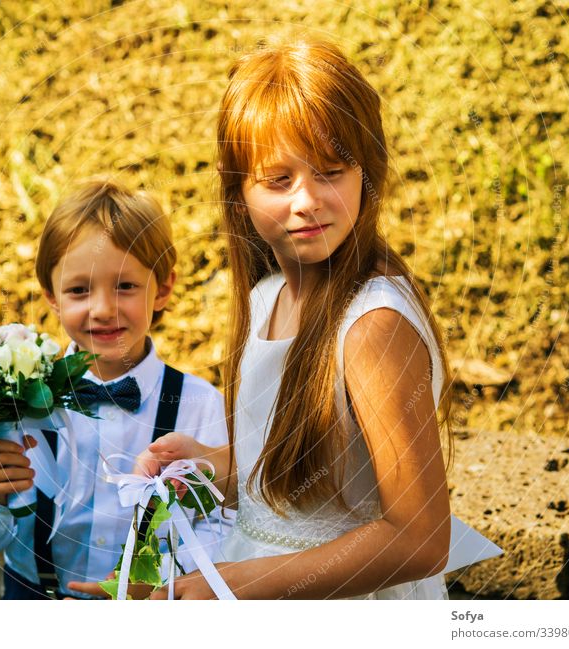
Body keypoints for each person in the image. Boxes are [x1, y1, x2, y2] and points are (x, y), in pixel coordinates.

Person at [113, 38, 457, 599]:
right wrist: (208, 468)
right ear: (238, 188)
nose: (307, 201)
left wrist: (234, 588)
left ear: (366, 174)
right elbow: (296, 486)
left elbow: (419, 538)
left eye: (331, 172)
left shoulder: (373, 327)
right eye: (278, 180)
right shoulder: (268, 299)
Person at [0, 179, 233, 599]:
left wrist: (158, 584)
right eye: (79, 290)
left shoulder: (201, 406)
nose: (102, 308)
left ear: (164, 289)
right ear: (52, 297)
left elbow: (222, 530)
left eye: (125, 286)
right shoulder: (17, 403)